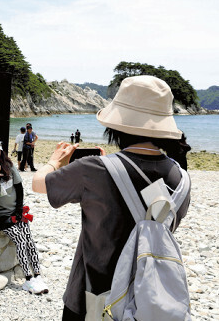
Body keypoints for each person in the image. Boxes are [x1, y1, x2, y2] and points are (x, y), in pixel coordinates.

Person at [32, 75, 191, 320]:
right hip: (151, 299)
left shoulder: (93, 169)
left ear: (115, 125)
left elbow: (38, 184)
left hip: (92, 299)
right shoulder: (182, 179)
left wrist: (54, 162)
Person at [0, 138, 49, 295]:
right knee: (21, 240)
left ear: (1, 151)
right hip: (1, 215)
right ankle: (28, 279)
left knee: (29, 240)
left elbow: (19, 187)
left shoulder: (8, 166)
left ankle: (37, 276)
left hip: (16, 212)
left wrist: (18, 209)